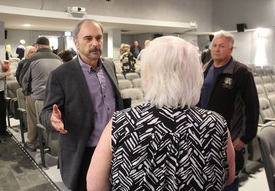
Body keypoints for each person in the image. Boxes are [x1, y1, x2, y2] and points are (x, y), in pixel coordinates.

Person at [87, 36, 235, 191]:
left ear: (148, 74)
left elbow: (94, 186)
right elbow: (229, 177)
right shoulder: (216, 123)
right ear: (194, 75)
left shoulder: (121, 123)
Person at [39, 19, 125, 191]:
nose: (95, 43)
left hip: (113, 148)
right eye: (88, 38)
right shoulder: (61, 75)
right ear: (76, 43)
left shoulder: (109, 65)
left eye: (99, 38)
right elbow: (46, 112)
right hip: (84, 151)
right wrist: (53, 119)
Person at [199, 30, 259, 191]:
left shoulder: (241, 72)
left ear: (231, 49)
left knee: (229, 181)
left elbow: (252, 106)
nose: (216, 49)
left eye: (222, 46)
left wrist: (245, 137)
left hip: (230, 138)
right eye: (214, 45)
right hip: (205, 137)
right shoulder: (205, 69)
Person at [19, 37, 62, 152]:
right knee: (52, 121)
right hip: (54, 97)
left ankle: (32, 143)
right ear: (48, 45)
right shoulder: (58, 59)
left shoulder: (32, 58)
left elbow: (23, 78)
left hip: (36, 96)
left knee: (33, 120)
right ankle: (53, 146)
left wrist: (26, 92)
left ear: (38, 46)